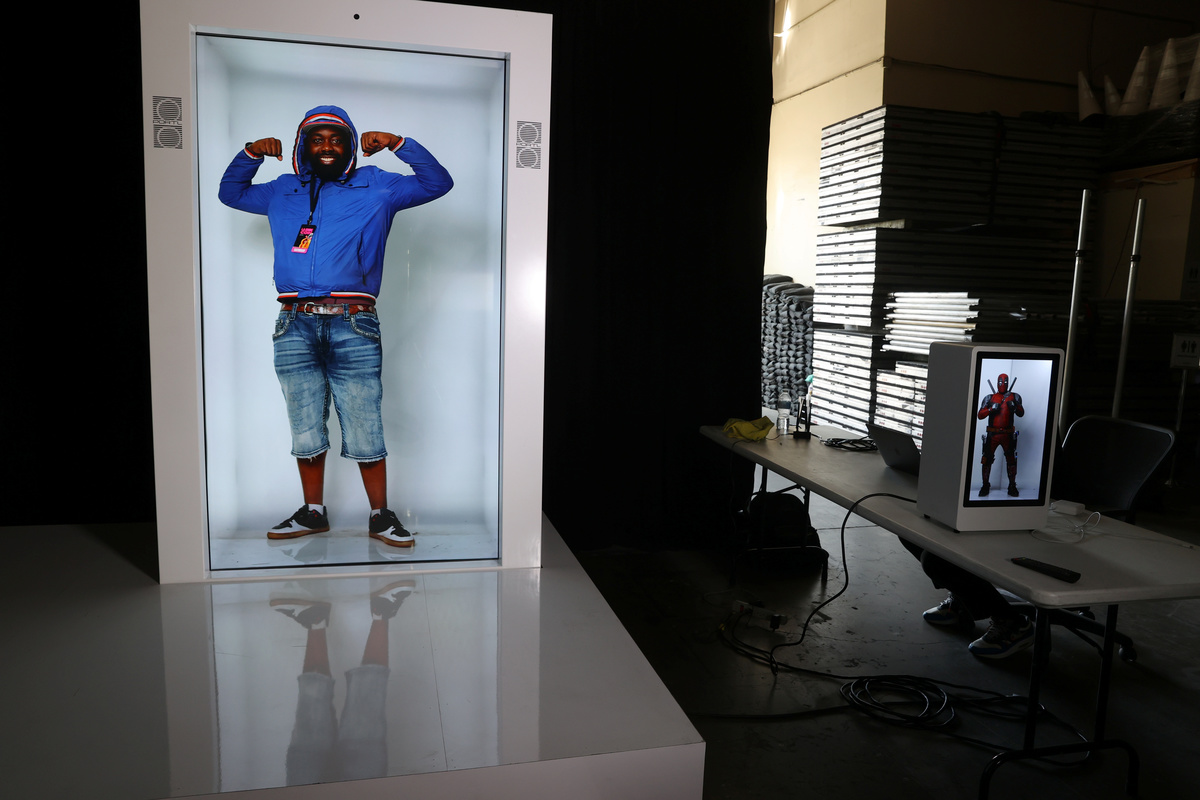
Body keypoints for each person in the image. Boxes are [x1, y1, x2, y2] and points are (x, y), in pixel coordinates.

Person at [219, 105, 453, 547]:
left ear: (349, 145)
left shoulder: (378, 184)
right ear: (302, 146)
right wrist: (250, 154)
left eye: (336, 138)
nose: (326, 146)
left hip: (353, 321)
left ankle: (380, 515)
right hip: (293, 322)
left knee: (364, 421)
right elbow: (230, 193)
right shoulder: (282, 189)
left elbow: (437, 183)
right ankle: (313, 513)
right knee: (305, 423)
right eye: (317, 139)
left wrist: (399, 144)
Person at [977, 372, 1023, 496]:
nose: (1003, 384)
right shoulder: (989, 398)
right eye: (1001, 381)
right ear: (997, 382)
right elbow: (980, 415)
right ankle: (985, 485)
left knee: (1011, 460)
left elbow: (1021, 413)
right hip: (993, 435)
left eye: (1005, 381)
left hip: (1008, 435)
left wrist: (1014, 407)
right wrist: (991, 409)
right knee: (986, 460)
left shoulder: (1015, 397)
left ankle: (1012, 485)